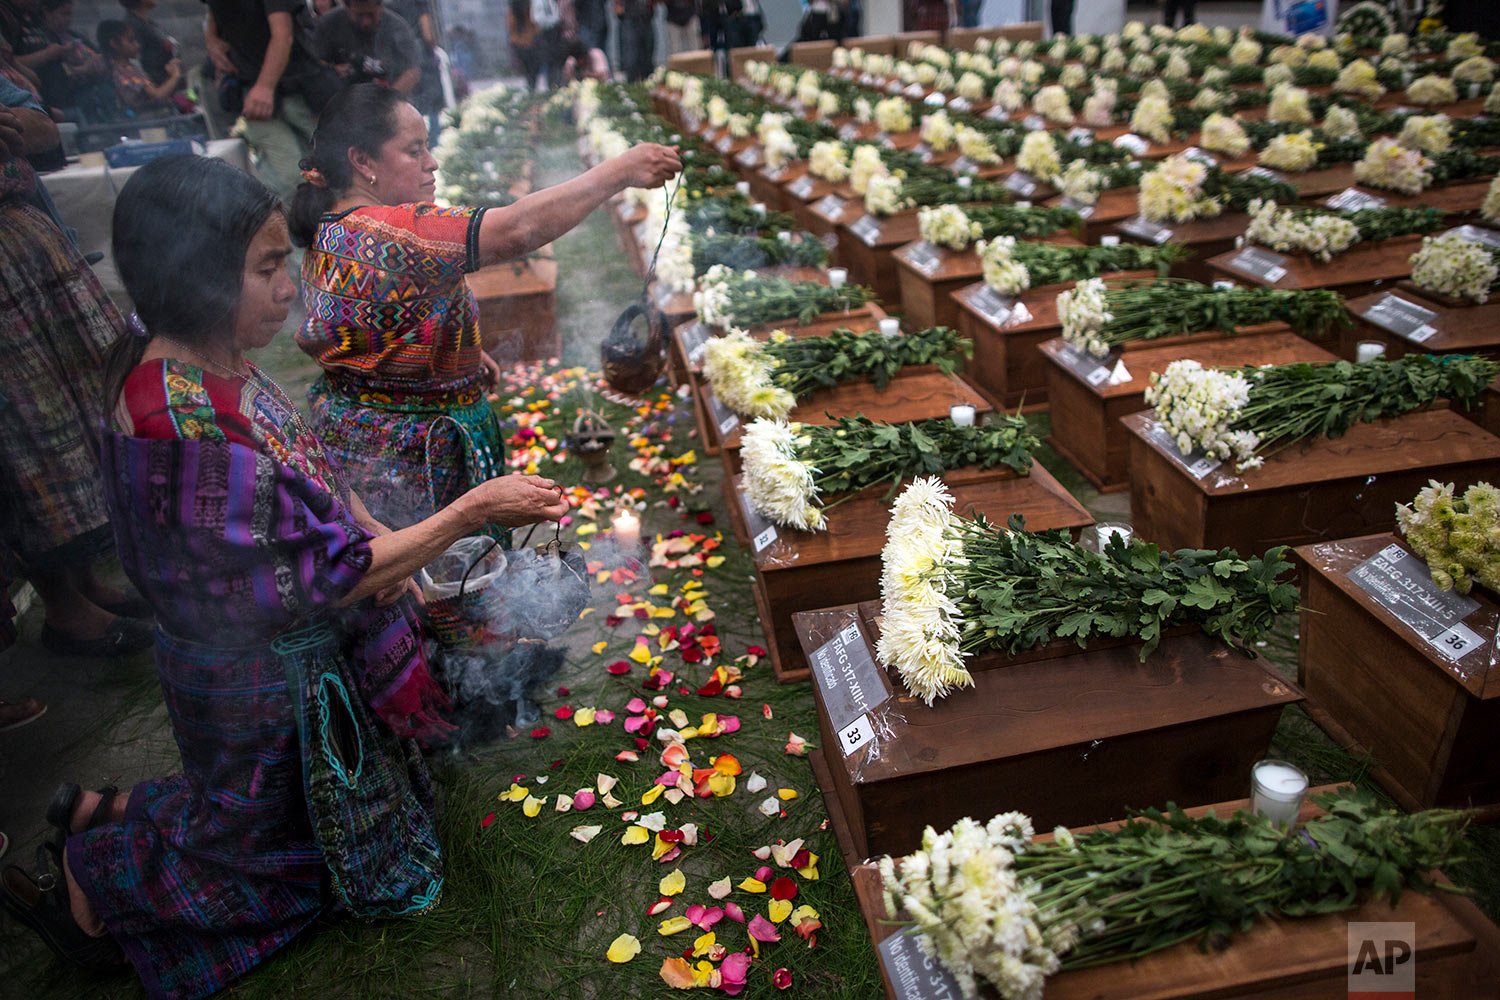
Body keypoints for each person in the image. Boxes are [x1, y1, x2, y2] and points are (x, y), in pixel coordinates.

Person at [0, 152, 576, 998]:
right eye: (269, 267)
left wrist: (383, 526)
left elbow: (305, 477)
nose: (290, 289)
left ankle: (112, 812)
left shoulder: (213, 356)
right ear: (196, 274)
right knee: (279, 872)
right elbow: (329, 577)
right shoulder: (176, 418)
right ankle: (95, 881)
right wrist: (469, 512)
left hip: (284, 661)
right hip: (257, 683)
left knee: (318, 823)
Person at [289, 84, 679, 546]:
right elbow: (518, 228)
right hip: (416, 464)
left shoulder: (332, 227)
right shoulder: (391, 233)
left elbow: (377, 331)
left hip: (363, 446)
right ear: (363, 162)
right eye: (414, 150)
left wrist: (457, 356)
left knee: (415, 586)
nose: (432, 162)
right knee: (454, 585)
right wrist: (620, 170)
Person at [0, 77, 152, 660]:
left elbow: (38, 127)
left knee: (88, 411)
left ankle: (88, 581)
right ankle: (63, 606)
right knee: (31, 436)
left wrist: (16, 126)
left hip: (31, 245)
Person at [202, 0, 324, 202]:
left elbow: (282, 34)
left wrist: (265, 87)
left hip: (299, 87)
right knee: (290, 180)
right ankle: (295, 228)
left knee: (329, 169)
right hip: (251, 86)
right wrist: (211, 39)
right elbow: (215, 11)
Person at [14, 0, 116, 123]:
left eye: (70, 14)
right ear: (47, 12)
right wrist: (82, 69)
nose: (68, 19)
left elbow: (103, 59)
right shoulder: (36, 37)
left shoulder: (74, 36)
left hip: (88, 100)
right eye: (64, 13)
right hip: (59, 102)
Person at [311, 0, 422, 96]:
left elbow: (412, 71)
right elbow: (319, 65)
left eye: (371, 14)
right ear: (346, 7)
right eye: (359, 15)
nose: (366, 22)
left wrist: (388, 100)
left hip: (386, 96)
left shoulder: (397, 27)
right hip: (343, 98)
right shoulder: (329, 24)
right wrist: (333, 72)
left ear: (381, 5)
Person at [97, 20, 183, 117]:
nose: (137, 45)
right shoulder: (127, 72)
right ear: (114, 44)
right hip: (148, 121)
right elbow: (157, 95)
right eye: (131, 40)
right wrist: (174, 76)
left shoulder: (106, 66)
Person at [116, 0, 177, 90]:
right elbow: (134, 58)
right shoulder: (132, 25)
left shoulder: (149, 23)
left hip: (169, 82)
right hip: (159, 86)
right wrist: (150, 87)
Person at [506, 0, 541, 91]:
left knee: (527, 70)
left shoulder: (512, 8)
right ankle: (532, 87)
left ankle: (530, 88)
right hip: (531, 42)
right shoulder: (529, 6)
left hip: (519, 43)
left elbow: (510, 26)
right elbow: (536, 24)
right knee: (533, 69)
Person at [615, 0, 654, 82]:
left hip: (646, 19)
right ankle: (631, 85)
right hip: (630, 19)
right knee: (631, 58)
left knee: (647, 57)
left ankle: (646, 83)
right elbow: (618, 7)